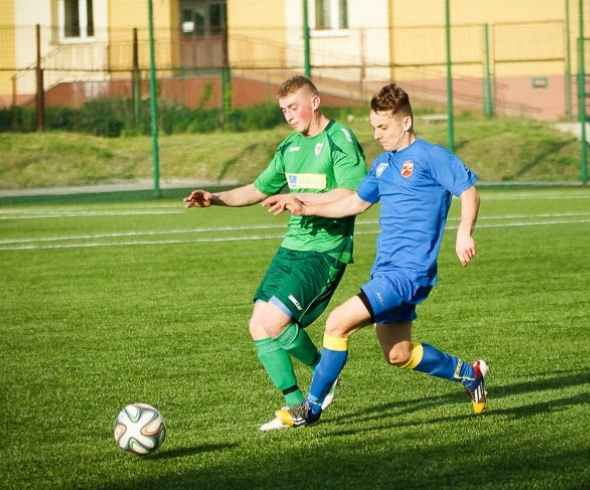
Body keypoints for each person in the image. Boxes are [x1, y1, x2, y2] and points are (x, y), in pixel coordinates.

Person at [262, 83, 488, 427]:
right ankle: (470, 374)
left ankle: (311, 407)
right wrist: (306, 207)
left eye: (383, 127)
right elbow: (355, 202)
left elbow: (469, 192)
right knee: (399, 354)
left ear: (406, 122)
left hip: (409, 273)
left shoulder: (431, 157)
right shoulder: (383, 165)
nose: (377, 134)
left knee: (337, 323)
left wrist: (463, 232)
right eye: (374, 127)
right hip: (386, 271)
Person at [183, 75, 367, 430]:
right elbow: (256, 188)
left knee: (274, 322)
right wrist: (215, 199)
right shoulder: (290, 148)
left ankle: (322, 374)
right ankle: (295, 405)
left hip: (325, 251)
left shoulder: (339, 139)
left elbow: (353, 194)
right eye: (283, 109)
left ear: (314, 102)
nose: (289, 115)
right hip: (291, 248)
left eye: (293, 107)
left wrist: (301, 201)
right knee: (257, 325)